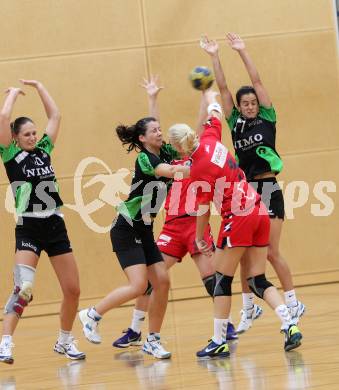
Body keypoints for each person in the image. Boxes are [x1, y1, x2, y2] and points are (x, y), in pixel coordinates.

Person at [168, 89, 303, 358]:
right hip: (258, 209)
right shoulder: (210, 136)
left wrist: (199, 237)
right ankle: (290, 324)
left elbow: (203, 208)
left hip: (238, 217)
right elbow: (215, 113)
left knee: (221, 279)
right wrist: (211, 96)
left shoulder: (196, 169)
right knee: (257, 279)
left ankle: (218, 340)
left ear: (179, 147)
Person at [112, 76, 237, 349]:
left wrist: (204, 97)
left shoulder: (195, 158)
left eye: (171, 137)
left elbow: (200, 124)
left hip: (195, 224)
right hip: (171, 226)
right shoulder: (166, 159)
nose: (165, 138)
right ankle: (135, 329)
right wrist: (153, 98)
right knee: (149, 281)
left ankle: (224, 326)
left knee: (211, 277)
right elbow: (151, 132)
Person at [200, 33, 305, 334]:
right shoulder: (236, 122)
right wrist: (215, 56)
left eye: (251, 103)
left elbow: (257, 82)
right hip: (247, 194)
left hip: (269, 189)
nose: (248, 106)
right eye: (244, 103)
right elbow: (222, 88)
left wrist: (242, 52)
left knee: (271, 252)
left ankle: (293, 303)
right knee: (246, 253)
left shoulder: (267, 117)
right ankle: (249, 308)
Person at [78, 79, 190, 359]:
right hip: (126, 228)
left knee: (161, 281)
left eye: (160, 130)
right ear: (142, 138)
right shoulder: (145, 159)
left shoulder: (160, 149)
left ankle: (152, 339)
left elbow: (155, 126)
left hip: (145, 229)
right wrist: (192, 168)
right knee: (139, 285)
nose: (160, 133)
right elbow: (166, 170)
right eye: (154, 131)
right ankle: (92, 314)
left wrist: (152, 98)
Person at [0, 80, 85, 364]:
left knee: (73, 290)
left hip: (55, 225)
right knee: (23, 289)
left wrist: (39, 88)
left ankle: (64, 341)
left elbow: (56, 116)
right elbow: (2, 117)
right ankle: (6, 342)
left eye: (35, 133)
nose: (33, 137)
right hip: (29, 227)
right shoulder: (10, 154)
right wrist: (12, 95)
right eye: (27, 134)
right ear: (15, 136)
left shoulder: (44, 150)